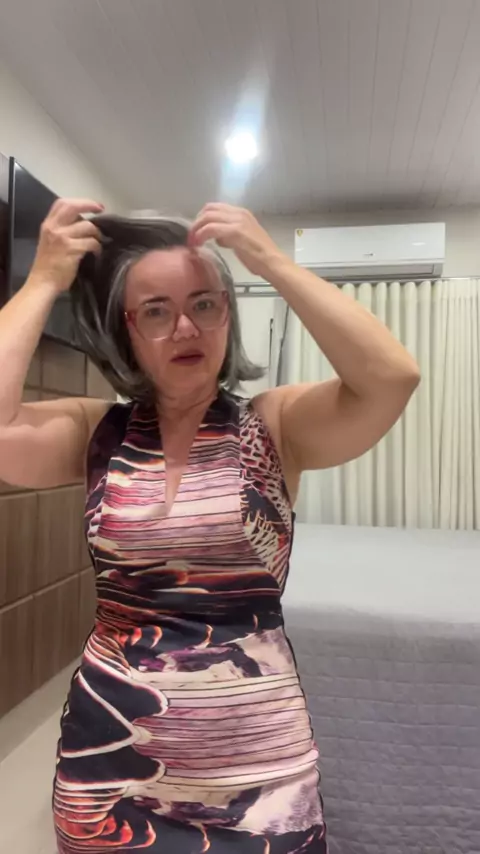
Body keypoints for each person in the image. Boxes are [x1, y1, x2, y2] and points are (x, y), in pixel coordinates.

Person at [0, 199, 420, 853]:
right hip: (109, 766)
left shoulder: (275, 426)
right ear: (127, 332)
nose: (185, 328)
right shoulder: (96, 431)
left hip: (260, 777)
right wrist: (43, 280)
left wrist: (269, 260)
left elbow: (392, 378)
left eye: (204, 304)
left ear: (229, 313)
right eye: (156, 311)